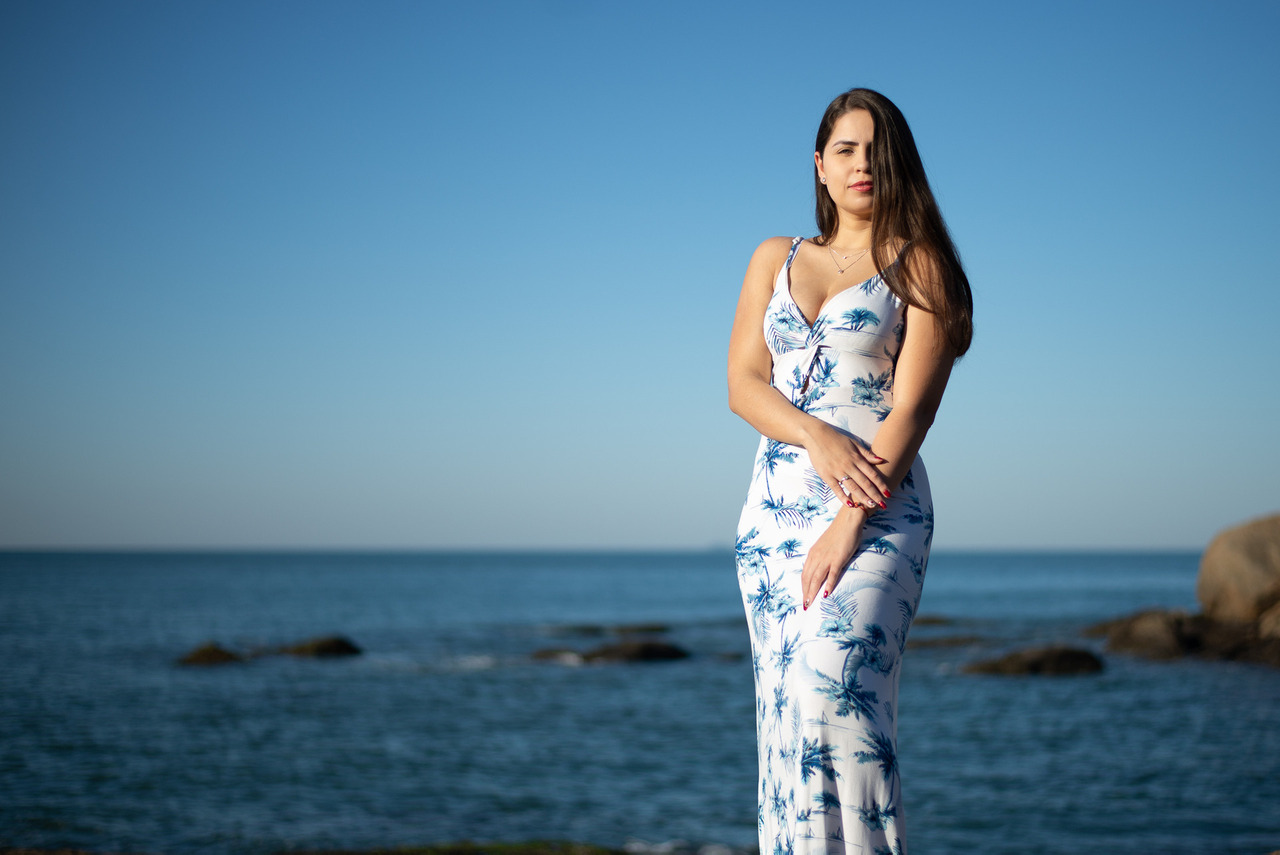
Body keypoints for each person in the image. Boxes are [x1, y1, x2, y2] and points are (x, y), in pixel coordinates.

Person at [727, 88, 973, 855]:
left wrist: (848, 519)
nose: (862, 163)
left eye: (875, 149)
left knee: (837, 697)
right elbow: (742, 384)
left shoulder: (919, 263)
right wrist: (817, 438)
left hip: (877, 508)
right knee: (788, 715)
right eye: (845, 150)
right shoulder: (776, 256)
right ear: (820, 166)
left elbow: (913, 411)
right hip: (773, 513)